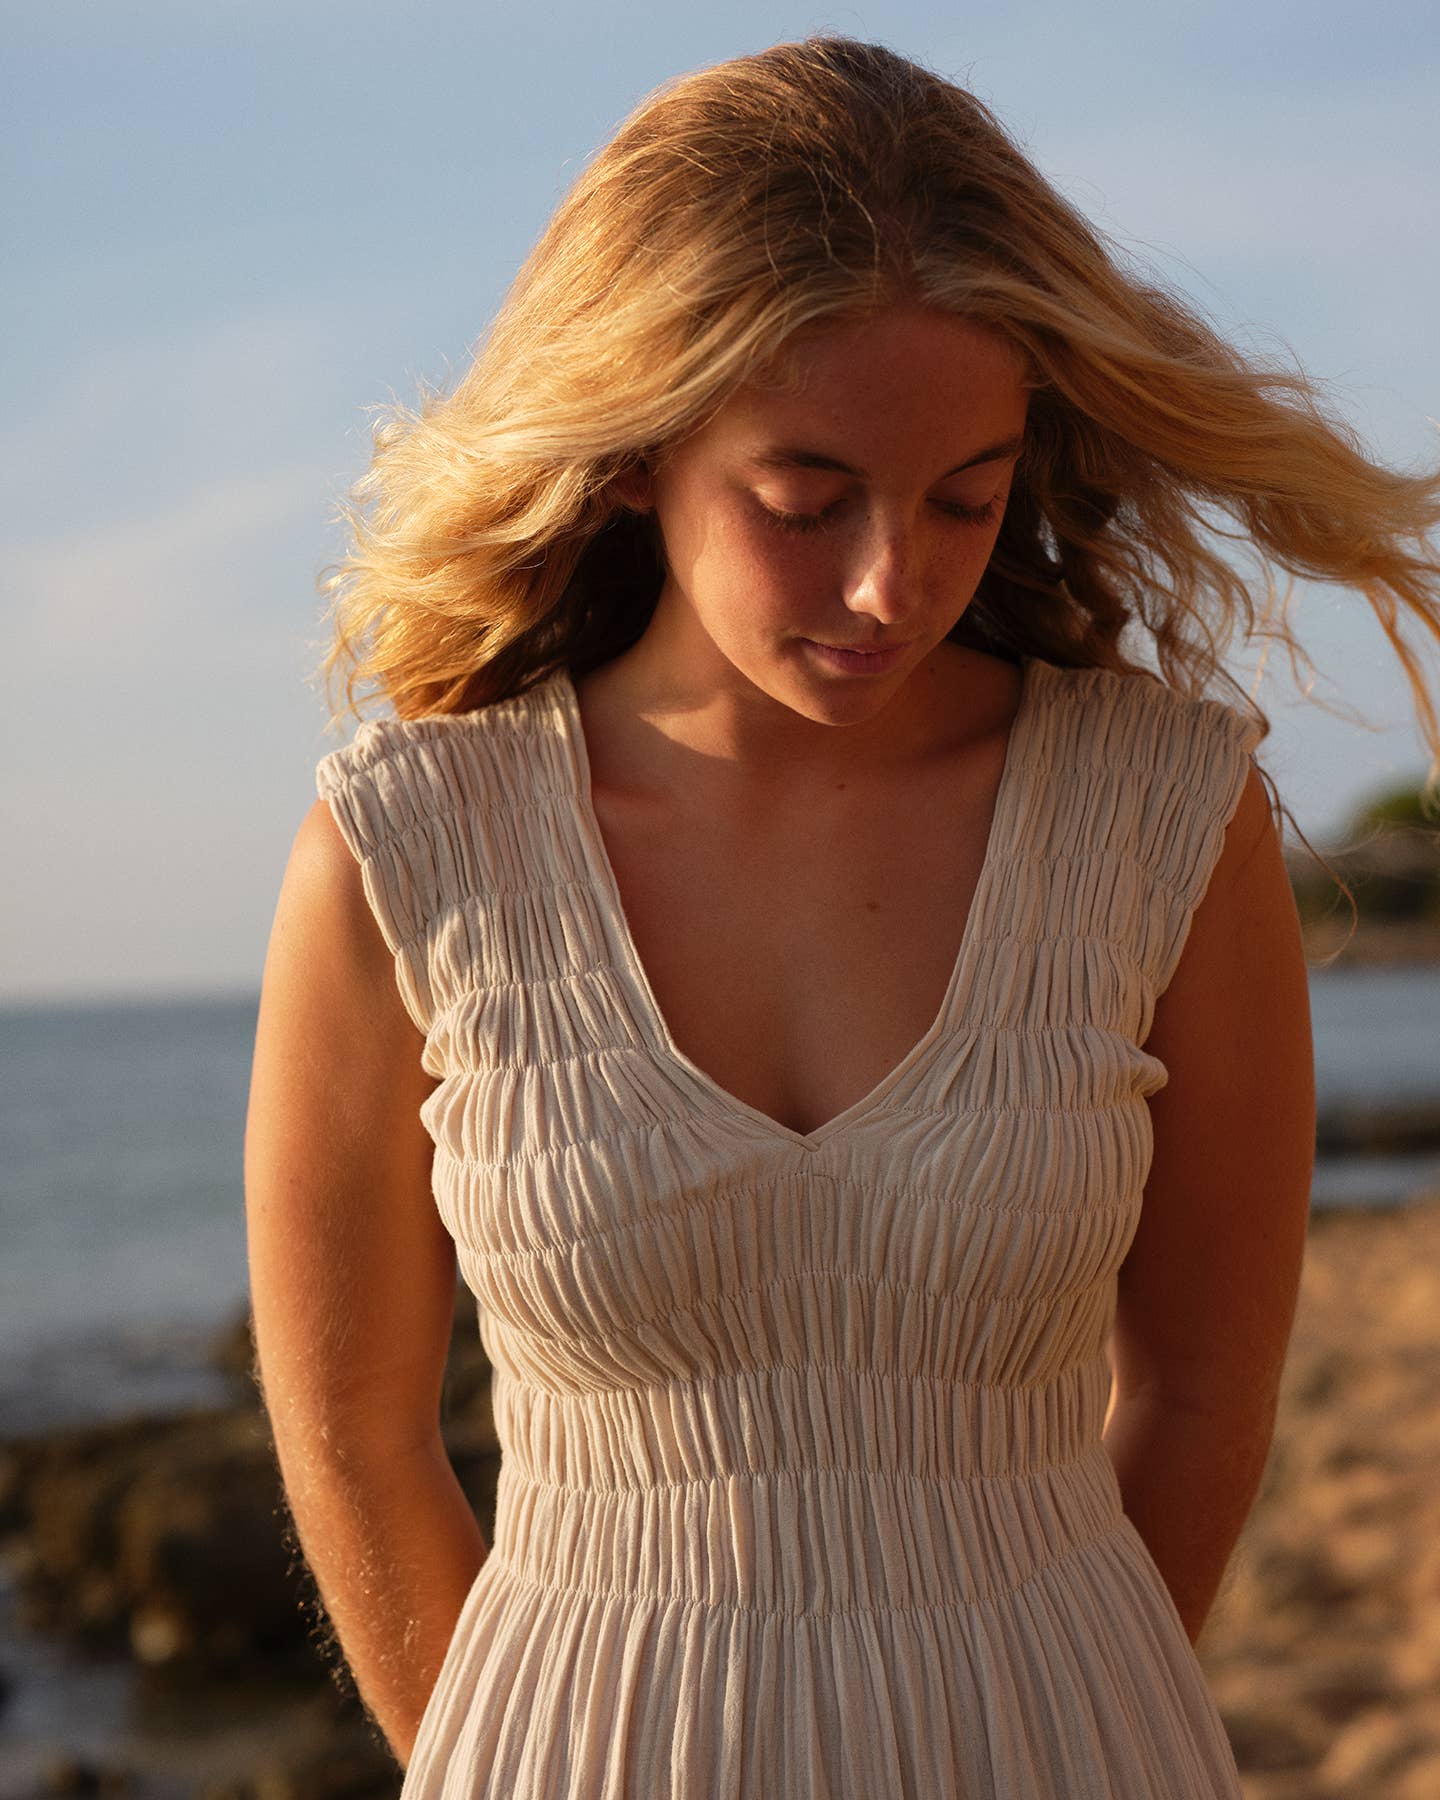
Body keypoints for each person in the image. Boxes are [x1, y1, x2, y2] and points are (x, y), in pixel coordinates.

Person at [243, 33, 1440, 1799]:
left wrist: (1059, 1700)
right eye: (806, 503)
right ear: (637, 450)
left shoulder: (1159, 820)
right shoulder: (409, 854)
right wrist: (498, 1753)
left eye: (967, 496)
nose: (893, 582)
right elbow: (353, 1435)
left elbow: (1203, 1394)